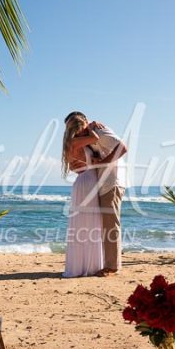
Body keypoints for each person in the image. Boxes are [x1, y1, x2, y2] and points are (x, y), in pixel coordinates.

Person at [63, 111, 127, 276]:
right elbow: (75, 164)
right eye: (75, 131)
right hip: (97, 183)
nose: (78, 133)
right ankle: (98, 263)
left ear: (85, 122)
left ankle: (112, 266)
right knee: (98, 224)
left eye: (80, 129)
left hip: (112, 181)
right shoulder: (84, 136)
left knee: (110, 222)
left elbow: (123, 147)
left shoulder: (99, 131)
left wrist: (104, 163)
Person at [61, 115, 104, 277]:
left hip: (83, 180)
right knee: (89, 224)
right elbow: (95, 137)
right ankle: (90, 265)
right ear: (80, 126)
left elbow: (73, 168)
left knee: (84, 224)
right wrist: (92, 126)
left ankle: (82, 265)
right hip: (88, 181)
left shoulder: (69, 143)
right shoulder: (75, 141)